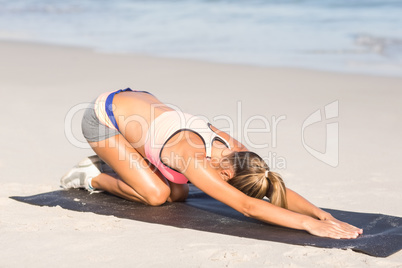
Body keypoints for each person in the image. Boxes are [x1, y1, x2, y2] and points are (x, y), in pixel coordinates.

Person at [61, 88, 363, 239]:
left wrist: (321, 214)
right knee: (156, 196)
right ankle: (93, 173)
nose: (220, 185)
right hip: (104, 118)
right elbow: (247, 206)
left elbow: (272, 184)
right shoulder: (194, 160)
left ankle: (130, 157)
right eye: (225, 183)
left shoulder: (235, 150)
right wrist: (309, 225)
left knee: (178, 194)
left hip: (138, 102)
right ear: (224, 173)